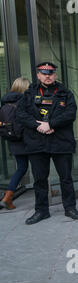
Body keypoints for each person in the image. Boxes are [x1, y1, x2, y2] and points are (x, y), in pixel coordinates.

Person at [16, 62, 78, 225]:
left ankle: (70, 208)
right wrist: (38, 125)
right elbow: (20, 114)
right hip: (36, 142)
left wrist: (51, 124)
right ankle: (41, 211)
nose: (47, 76)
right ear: (38, 75)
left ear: (55, 75)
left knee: (66, 178)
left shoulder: (65, 93)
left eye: (50, 73)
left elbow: (70, 114)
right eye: (44, 73)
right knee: (39, 179)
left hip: (61, 142)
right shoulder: (29, 93)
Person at [0, 77, 30, 210]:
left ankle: (7, 196)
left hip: (13, 140)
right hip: (27, 140)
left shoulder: (5, 102)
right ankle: (7, 198)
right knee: (40, 166)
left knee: (21, 168)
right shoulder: (23, 101)